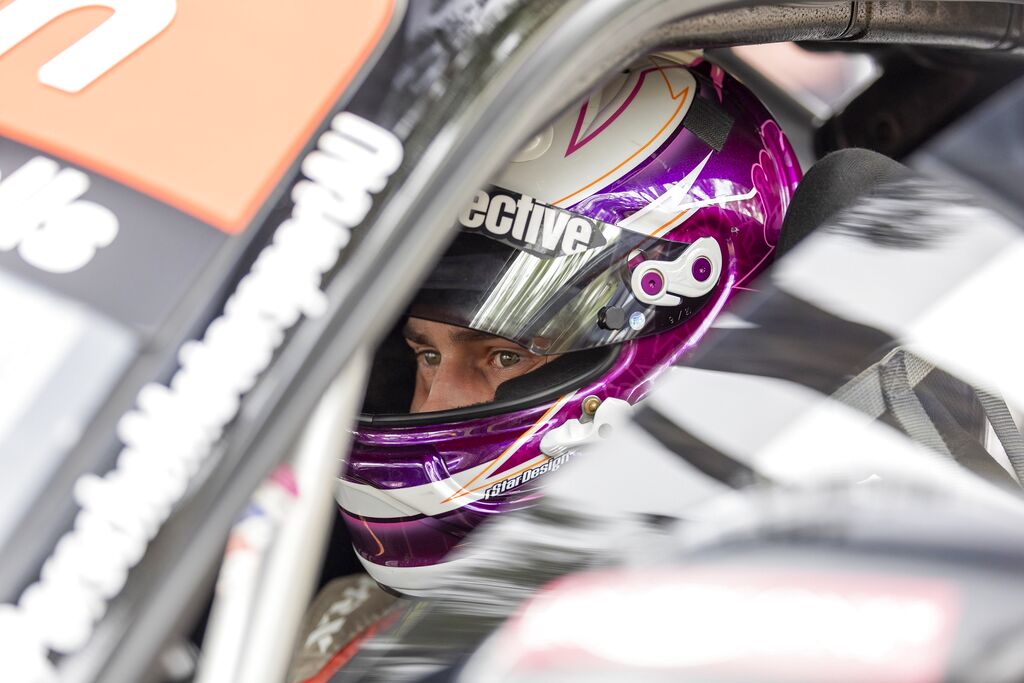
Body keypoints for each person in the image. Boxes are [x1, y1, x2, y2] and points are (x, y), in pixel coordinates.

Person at [287, 52, 802, 682]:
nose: (435, 403)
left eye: (506, 354)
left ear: (686, 344)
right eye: (426, 354)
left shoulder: (774, 646)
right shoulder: (343, 628)